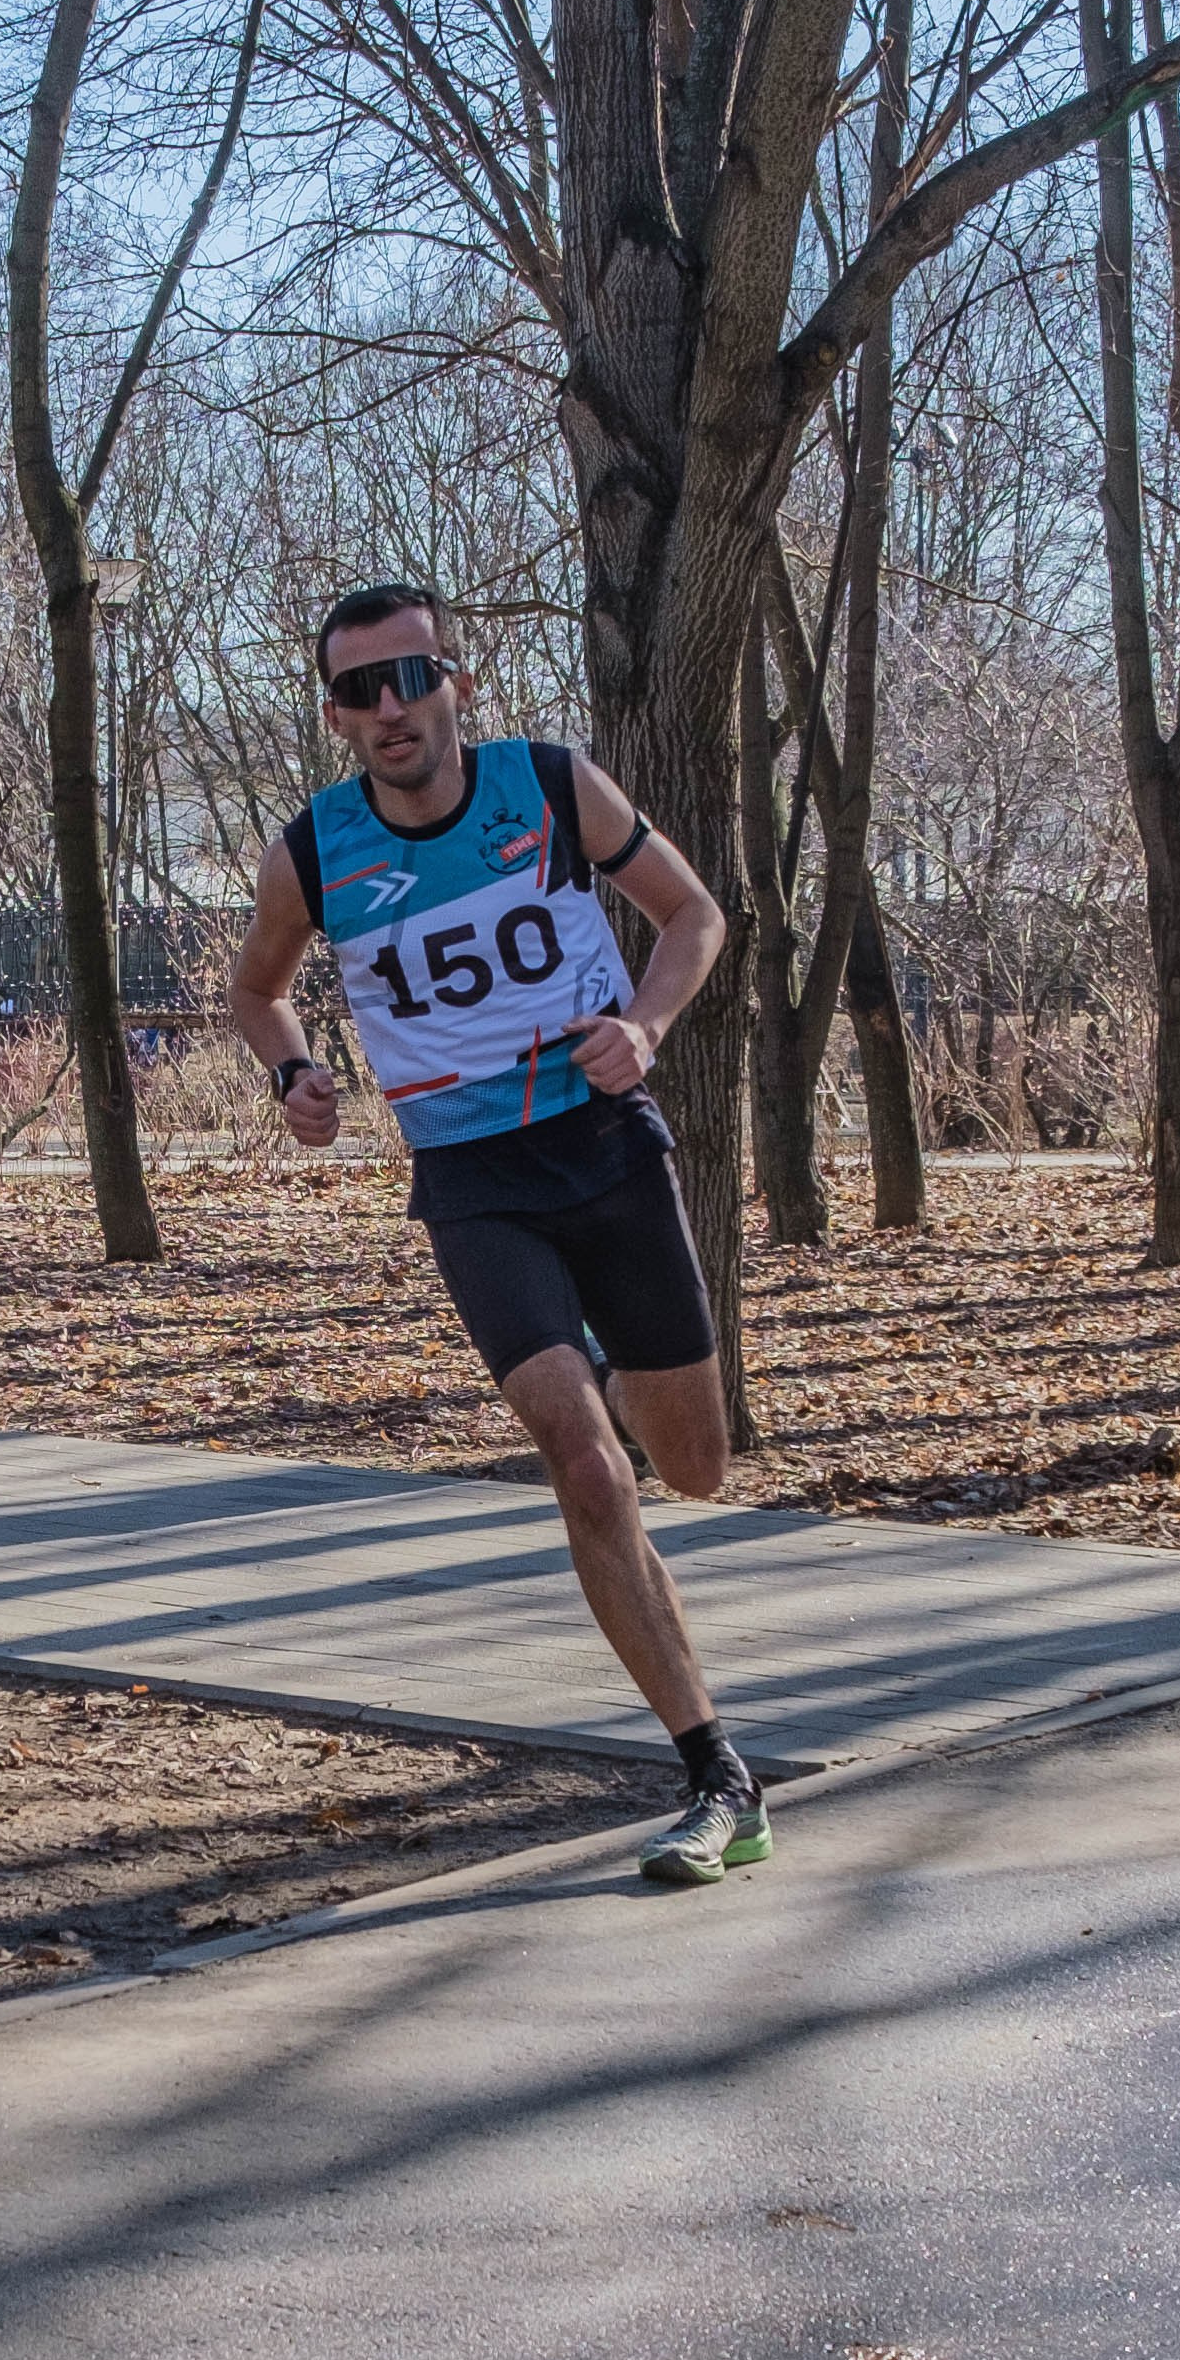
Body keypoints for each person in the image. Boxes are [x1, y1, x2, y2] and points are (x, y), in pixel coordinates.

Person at [228, 585, 770, 1889]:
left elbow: (694, 915)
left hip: (605, 1152)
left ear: (449, 681)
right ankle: (715, 1772)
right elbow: (255, 991)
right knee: (586, 1465)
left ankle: (624, 1414)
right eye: (357, 689)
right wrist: (292, 1072)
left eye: (406, 675)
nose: (387, 706)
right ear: (335, 713)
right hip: (473, 1183)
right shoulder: (315, 849)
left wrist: (639, 1026)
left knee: (689, 1466)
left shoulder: (548, 785)